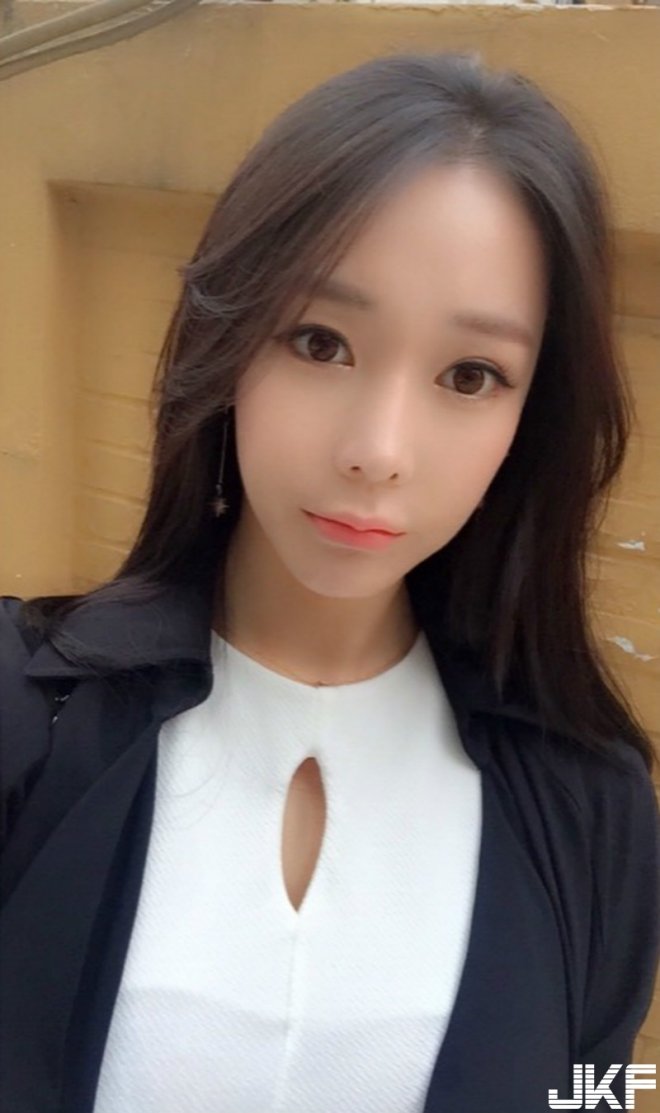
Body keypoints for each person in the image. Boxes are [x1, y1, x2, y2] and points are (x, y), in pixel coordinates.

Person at [1, 50, 658, 1113]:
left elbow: (598, 1091)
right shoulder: (26, 722)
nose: (378, 450)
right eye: (320, 341)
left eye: (470, 375)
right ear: (228, 342)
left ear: (530, 419)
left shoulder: (591, 808)